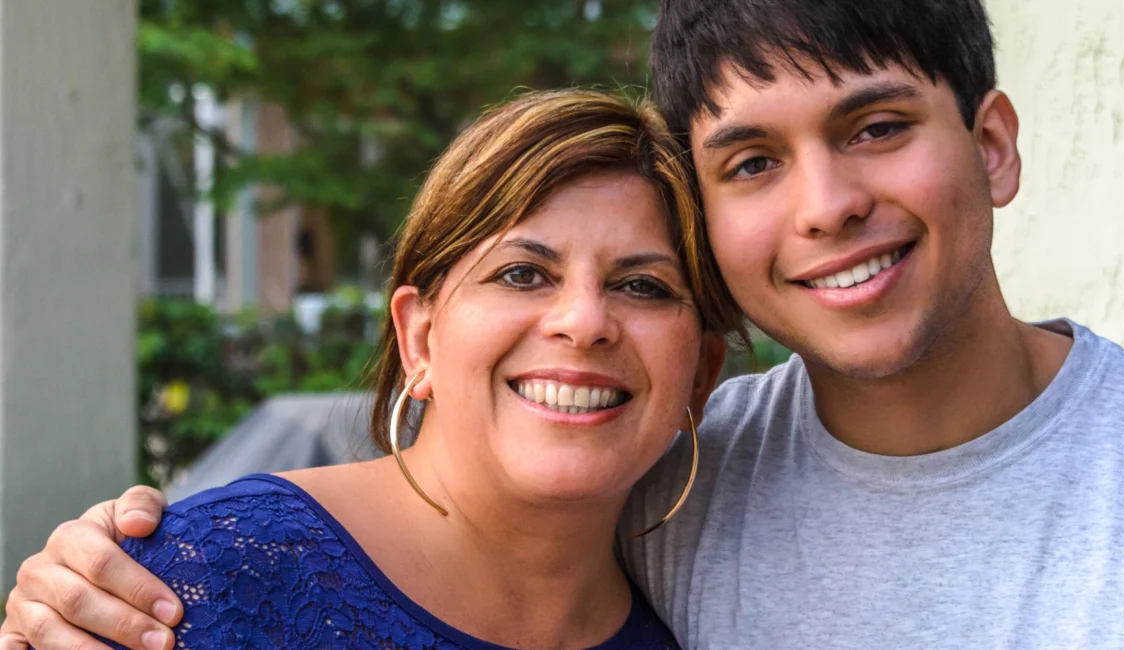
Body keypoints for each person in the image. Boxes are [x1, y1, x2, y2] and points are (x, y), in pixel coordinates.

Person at [5, 0, 1124, 648]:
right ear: (416, 328)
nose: (829, 206)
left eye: (878, 127)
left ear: (995, 144)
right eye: (749, 163)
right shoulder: (669, 481)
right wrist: (93, 575)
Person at [1, 88, 747, 649]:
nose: (583, 322)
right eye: (522, 274)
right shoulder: (193, 580)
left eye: (642, 286)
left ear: (700, 374)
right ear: (418, 338)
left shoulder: (702, 623)